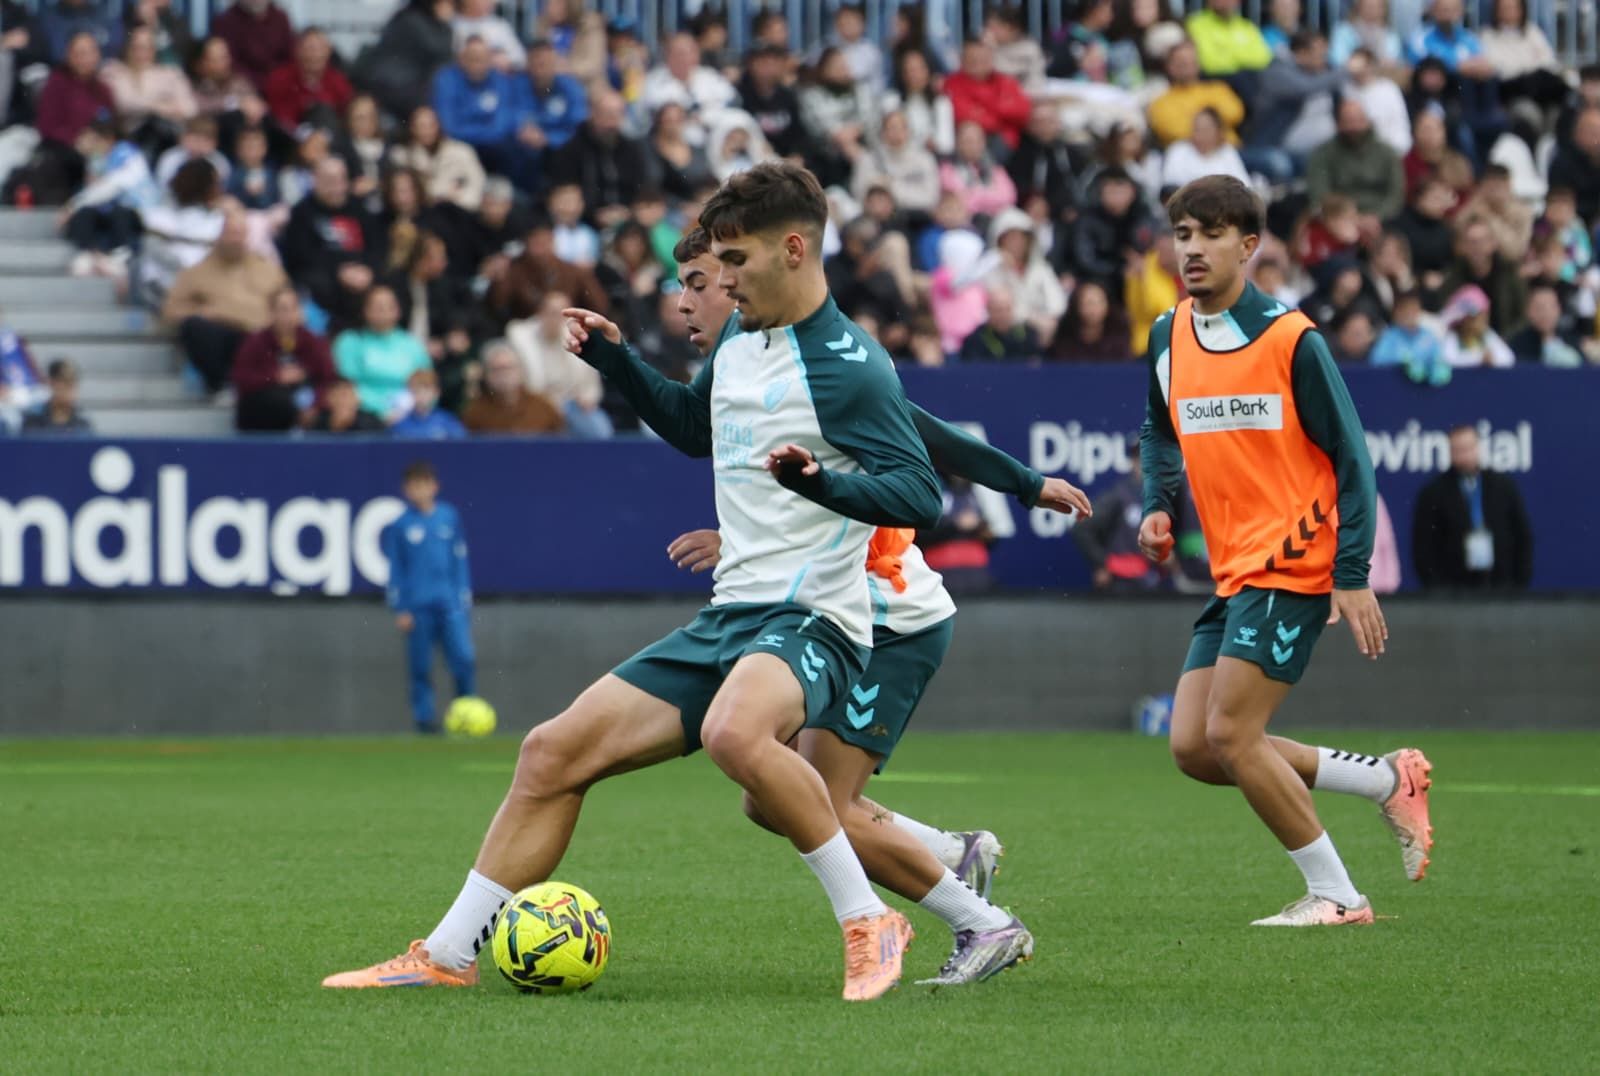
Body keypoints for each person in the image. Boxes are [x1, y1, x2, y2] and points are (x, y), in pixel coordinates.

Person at [322, 163, 942, 999]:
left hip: (815, 616)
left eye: (736, 263)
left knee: (735, 735)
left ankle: (871, 920)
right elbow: (694, 429)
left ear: (794, 250)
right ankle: (448, 953)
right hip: (733, 616)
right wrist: (616, 361)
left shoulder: (851, 365)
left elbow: (918, 492)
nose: (719, 282)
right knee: (550, 751)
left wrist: (823, 485)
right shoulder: (744, 345)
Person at [636, 226, 1087, 983]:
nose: (692, 300)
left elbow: (922, 434)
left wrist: (1022, 481)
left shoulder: (830, 367)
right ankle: (953, 851)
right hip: (843, 613)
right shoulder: (749, 366)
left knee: (816, 803)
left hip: (890, 617)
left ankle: (983, 924)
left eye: (707, 281)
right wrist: (740, 539)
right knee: (769, 797)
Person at [1138, 175, 1433, 927]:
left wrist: (1352, 573)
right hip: (1234, 571)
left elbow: (1352, 460)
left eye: (1210, 234)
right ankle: (1386, 780)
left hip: (1294, 560)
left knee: (1233, 735)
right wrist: (1156, 506)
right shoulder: (1167, 335)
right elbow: (1158, 433)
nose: (1193, 249)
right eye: (1183, 234)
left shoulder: (1290, 338)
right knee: (1195, 750)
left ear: (1249, 245)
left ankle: (1338, 896)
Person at [382, 460, 476, 734]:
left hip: (449, 604)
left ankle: (466, 713)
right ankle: (425, 721)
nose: (420, 490)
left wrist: (463, 597)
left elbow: (460, 560)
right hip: (418, 607)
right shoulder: (401, 525)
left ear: (435, 486)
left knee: (463, 659)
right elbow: (396, 569)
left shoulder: (448, 516)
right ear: (406, 490)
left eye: (424, 484)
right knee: (421, 667)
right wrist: (401, 608)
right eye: (414, 485)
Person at [162, 205, 289, 392]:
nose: (236, 239)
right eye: (231, 233)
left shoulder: (268, 270)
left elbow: (289, 303)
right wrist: (203, 312)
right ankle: (220, 385)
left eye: (241, 233)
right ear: (220, 235)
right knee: (196, 327)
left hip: (260, 339)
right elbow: (170, 312)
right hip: (223, 341)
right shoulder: (197, 272)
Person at [1412, 423, 1532, 590]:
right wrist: (1438, 590)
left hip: (1501, 585)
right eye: (1458, 450)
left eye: (1468, 448)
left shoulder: (1503, 486)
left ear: (1478, 448)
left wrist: (1518, 584)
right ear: (1450, 452)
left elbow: (1522, 536)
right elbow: (1423, 546)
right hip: (1453, 590)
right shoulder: (1434, 493)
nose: (1465, 455)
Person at [278, 157, 381, 334]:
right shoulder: (301, 212)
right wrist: (340, 270)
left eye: (339, 179)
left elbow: (377, 247)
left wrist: (367, 269)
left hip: (360, 273)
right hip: (323, 278)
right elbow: (301, 255)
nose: (335, 186)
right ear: (315, 181)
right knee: (318, 283)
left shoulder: (360, 209)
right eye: (328, 180)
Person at [505, 291, 612, 438]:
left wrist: (588, 398)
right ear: (541, 313)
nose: (557, 319)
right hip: (535, 404)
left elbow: (590, 381)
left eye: (563, 315)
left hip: (571, 405)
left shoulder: (577, 336)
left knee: (599, 428)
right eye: (552, 313)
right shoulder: (520, 338)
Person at [232, 287, 337, 431]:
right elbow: (241, 378)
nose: (289, 315)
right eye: (283, 309)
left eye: (293, 308)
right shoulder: (256, 342)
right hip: (265, 406)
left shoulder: (314, 342)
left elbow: (327, 379)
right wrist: (276, 376)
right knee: (277, 401)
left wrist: (315, 406)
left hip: (306, 403)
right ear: (271, 313)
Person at [546, 90, 652, 225]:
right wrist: (593, 215)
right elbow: (564, 194)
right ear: (593, 113)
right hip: (584, 221)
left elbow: (643, 187)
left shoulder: (632, 150)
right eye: (607, 115)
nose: (612, 123)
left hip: (628, 220)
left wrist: (630, 212)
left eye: (617, 115)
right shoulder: (572, 150)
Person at [334, 284, 431, 421]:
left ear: (398, 310)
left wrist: (406, 407)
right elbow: (347, 384)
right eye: (377, 307)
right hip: (362, 413)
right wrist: (382, 410)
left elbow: (427, 383)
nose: (384, 311)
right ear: (364, 310)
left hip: (409, 414)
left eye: (389, 306)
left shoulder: (413, 345)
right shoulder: (349, 341)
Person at [1306, 98, 1406, 228]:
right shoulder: (1322, 155)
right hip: (1337, 220)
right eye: (1348, 121)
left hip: (1382, 219)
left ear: (1368, 122)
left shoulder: (1387, 153)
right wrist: (1348, 219)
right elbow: (1319, 194)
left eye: (1359, 120)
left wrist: (1377, 216)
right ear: (1339, 124)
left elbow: (1395, 194)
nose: (1354, 127)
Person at [355, 0, 456, 122]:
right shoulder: (413, 20)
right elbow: (441, 49)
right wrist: (444, 24)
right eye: (446, 3)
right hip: (398, 87)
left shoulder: (404, 16)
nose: (451, 8)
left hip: (398, 85)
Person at [1145, 40, 1245, 150]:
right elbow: (1173, 131)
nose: (1188, 66)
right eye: (1182, 62)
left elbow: (1235, 113)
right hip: (1189, 160)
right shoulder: (1160, 103)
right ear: (1169, 66)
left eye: (1192, 61)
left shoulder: (1217, 88)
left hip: (1231, 151)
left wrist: (1195, 121)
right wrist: (1213, 120)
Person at [389, 104, 486, 212]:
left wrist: (456, 200)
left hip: (458, 214)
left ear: (439, 125)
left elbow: (477, 185)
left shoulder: (462, 152)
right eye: (421, 126)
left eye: (431, 125)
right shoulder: (401, 157)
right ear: (412, 128)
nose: (427, 131)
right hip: (420, 216)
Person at [942, 39, 1031, 152]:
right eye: (972, 59)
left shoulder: (1005, 81)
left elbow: (1023, 112)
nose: (978, 63)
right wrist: (1001, 113)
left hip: (1007, 139)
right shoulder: (952, 83)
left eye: (983, 59)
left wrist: (984, 107)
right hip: (971, 140)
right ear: (962, 60)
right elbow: (962, 114)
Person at [461, 339, 565, 434]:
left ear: (521, 370)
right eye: (496, 369)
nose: (503, 375)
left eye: (508, 368)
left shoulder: (543, 407)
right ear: (486, 375)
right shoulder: (475, 413)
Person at [265, 28, 353, 129]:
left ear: (329, 52)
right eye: (310, 48)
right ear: (297, 50)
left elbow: (346, 116)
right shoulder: (279, 79)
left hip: (329, 138)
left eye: (320, 49)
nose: (315, 55)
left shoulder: (339, 82)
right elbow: (277, 118)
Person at [210, 0, 293, 92]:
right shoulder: (225, 21)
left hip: (280, 85)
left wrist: (278, 79)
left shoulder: (280, 17)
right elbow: (229, 61)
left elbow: (289, 55)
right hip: (242, 87)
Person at [1161, 107, 1250, 191]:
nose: (1200, 135)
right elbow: (1169, 188)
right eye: (1196, 129)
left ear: (1218, 131)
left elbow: (1244, 186)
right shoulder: (1178, 150)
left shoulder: (1227, 152)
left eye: (1205, 129)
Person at [1184, 0, 1272, 78]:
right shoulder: (1195, 25)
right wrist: (1241, 57)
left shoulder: (1247, 26)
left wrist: (1228, 54)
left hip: (1252, 78)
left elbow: (1263, 58)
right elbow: (1209, 63)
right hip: (1216, 81)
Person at [1049, 280, 1132, 361]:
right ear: (1077, 306)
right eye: (1088, 303)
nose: (1094, 309)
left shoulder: (1119, 333)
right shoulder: (1065, 338)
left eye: (1099, 302)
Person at [1508, 285, 1584, 367]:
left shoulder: (1573, 341)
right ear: (1528, 311)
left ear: (1559, 309)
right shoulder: (1517, 345)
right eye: (1539, 308)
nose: (1546, 314)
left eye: (1551, 307)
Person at [959, 287, 1039, 362]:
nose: (1003, 315)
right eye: (998, 310)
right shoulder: (975, 340)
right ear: (988, 310)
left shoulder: (1027, 335)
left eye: (1007, 309)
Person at [20, 358, 92, 434]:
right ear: (51, 383)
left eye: (73, 383)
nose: (70, 389)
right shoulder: (33, 420)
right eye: (65, 382)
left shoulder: (82, 422)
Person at [392, 367, 467, 439]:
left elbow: (462, 445)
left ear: (436, 392)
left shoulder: (447, 421)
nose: (422, 395)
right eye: (416, 390)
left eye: (426, 390)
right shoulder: (400, 423)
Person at [308, 375, 386, 433]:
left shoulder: (372, 423)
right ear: (328, 399)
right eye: (338, 395)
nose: (343, 401)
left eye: (348, 395)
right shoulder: (316, 422)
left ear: (358, 399)